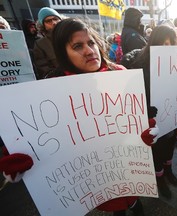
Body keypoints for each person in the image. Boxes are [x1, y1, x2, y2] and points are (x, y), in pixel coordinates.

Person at [0, 18, 159, 216]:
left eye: (91, 42)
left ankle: (135, 205)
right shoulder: (51, 89)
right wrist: (19, 160)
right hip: (93, 176)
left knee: (132, 199)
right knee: (115, 203)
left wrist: (145, 132)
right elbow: (36, 134)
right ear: (63, 53)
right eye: (77, 46)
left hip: (125, 166)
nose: (89, 50)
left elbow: (135, 120)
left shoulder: (120, 74)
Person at [121, 25, 177, 199]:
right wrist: (145, 109)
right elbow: (131, 90)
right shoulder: (140, 62)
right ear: (153, 42)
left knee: (170, 145)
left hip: (172, 114)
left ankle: (168, 170)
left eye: (170, 43)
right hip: (151, 118)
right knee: (156, 150)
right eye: (162, 43)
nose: (166, 47)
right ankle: (159, 177)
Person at [33, 7, 62, 79]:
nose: (54, 23)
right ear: (43, 26)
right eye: (48, 21)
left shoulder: (73, 36)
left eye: (55, 19)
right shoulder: (40, 44)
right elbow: (45, 71)